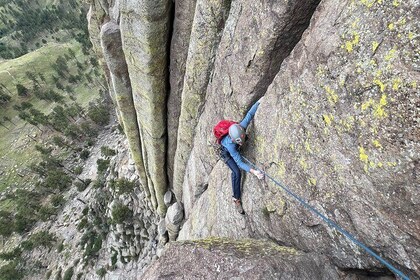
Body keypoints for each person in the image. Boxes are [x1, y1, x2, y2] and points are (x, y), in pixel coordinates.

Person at [220, 98, 264, 214]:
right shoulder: (230, 146)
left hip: (234, 144)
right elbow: (239, 163)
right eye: (240, 141)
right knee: (236, 172)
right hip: (226, 154)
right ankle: (236, 199)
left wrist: (259, 101)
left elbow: (249, 114)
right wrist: (254, 171)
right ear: (235, 141)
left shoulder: (240, 127)